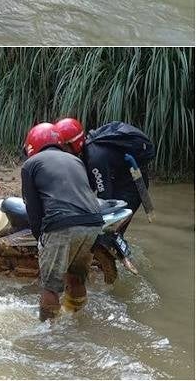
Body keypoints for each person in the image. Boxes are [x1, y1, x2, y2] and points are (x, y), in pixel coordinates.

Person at [21, 123, 105, 320]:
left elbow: (33, 210)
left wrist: (40, 238)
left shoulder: (30, 165)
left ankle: (48, 340)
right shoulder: (76, 161)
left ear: (32, 145)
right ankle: (78, 321)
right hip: (94, 223)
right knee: (76, 278)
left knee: (50, 286)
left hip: (61, 224)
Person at [55, 118, 155, 234]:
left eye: (63, 147)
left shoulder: (95, 158)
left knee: (112, 230)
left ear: (73, 143)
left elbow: (105, 197)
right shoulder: (88, 152)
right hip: (120, 177)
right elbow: (90, 186)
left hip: (131, 185)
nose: (61, 151)